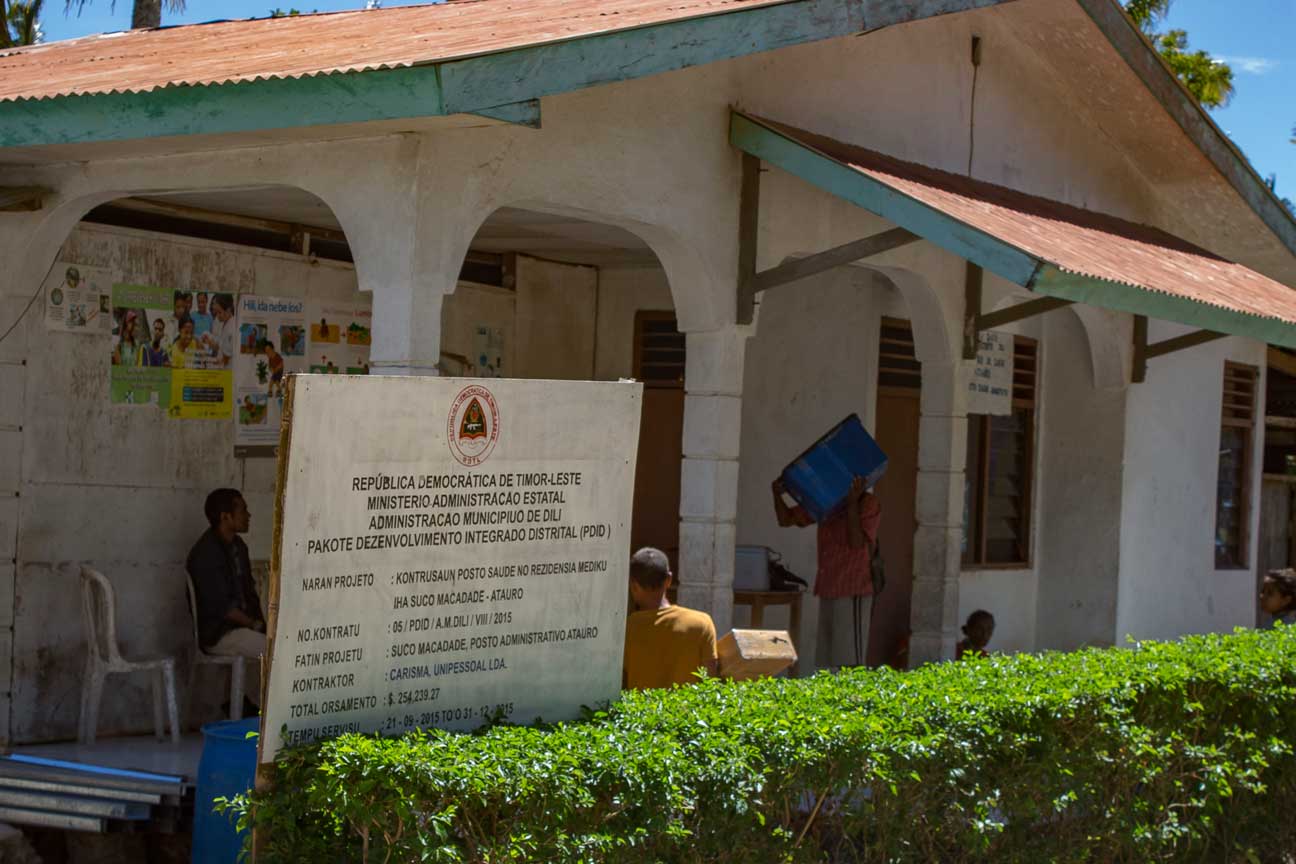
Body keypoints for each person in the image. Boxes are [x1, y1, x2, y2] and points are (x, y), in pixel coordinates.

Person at [772, 474, 880, 665]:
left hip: (852, 589)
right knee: (827, 660)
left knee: (850, 663)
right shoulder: (826, 501)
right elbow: (786, 519)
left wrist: (852, 503)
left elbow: (856, 543)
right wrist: (777, 493)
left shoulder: (868, 504)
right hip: (828, 587)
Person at [186, 489, 266, 708]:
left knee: (281, 646)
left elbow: (249, 593)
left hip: (241, 630)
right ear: (225, 516)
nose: (248, 515)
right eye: (243, 510)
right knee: (278, 654)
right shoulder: (206, 553)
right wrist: (255, 624)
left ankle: (244, 705)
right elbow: (223, 607)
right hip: (219, 633)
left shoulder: (238, 547)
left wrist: (262, 626)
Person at [622, 547, 718, 690]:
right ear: (669, 579)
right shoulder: (701, 624)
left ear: (633, 585)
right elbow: (710, 683)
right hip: (688, 712)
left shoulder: (625, 630)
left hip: (640, 712)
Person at [205, 293, 237, 368]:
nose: (217, 316)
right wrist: (211, 343)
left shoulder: (230, 329)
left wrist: (210, 364)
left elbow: (225, 361)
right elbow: (221, 346)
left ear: (228, 310)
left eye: (219, 312)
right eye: (216, 312)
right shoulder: (225, 322)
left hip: (226, 369)